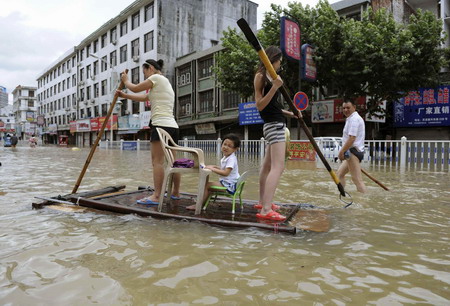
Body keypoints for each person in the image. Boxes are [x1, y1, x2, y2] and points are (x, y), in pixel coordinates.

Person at [116, 59, 181, 205]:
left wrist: (125, 80)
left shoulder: (156, 78)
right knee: (173, 162)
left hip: (160, 126)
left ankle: (157, 196)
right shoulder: (164, 83)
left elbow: (135, 88)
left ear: (150, 68)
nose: (146, 77)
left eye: (145, 73)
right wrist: (125, 96)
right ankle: (176, 193)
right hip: (173, 126)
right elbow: (143, 97)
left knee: (157, 162)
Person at [254, 46, 298, 221]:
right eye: (279, 61)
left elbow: (273, 107)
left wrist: (291, 113)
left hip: (273, 124)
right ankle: (266, 209)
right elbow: (259, 106)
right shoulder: (261, 76)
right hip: (274, 126)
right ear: (274, 60)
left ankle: (263, 202)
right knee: (278, 167)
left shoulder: (270, 77)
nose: (280, 65)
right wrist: (275, 87)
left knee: (267, 166)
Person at [186, 134, 241, 211]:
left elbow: (226, 173)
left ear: (235, 149)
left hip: (229, 185)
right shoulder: (228, 157)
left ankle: (198, 205)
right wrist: (214, 166)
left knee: (206, 185)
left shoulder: (231, 159)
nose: (225, 147)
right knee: (207, 185)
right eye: (224, 144)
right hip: (230, 182)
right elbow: (225, 169)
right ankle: (203, 202)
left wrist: (213, 169)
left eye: (229, 146)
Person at [337, 100, 367, 193]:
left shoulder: (354, 119)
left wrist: (341, 151)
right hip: (352, 152)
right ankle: (342, 195)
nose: (346, 110)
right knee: (339, 174)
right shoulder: (351, 118)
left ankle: (364, 203)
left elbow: (352, 138)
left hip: (353, 152)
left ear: (354, 107)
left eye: (348, 107)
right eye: (344, 108)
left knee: (357, 180)